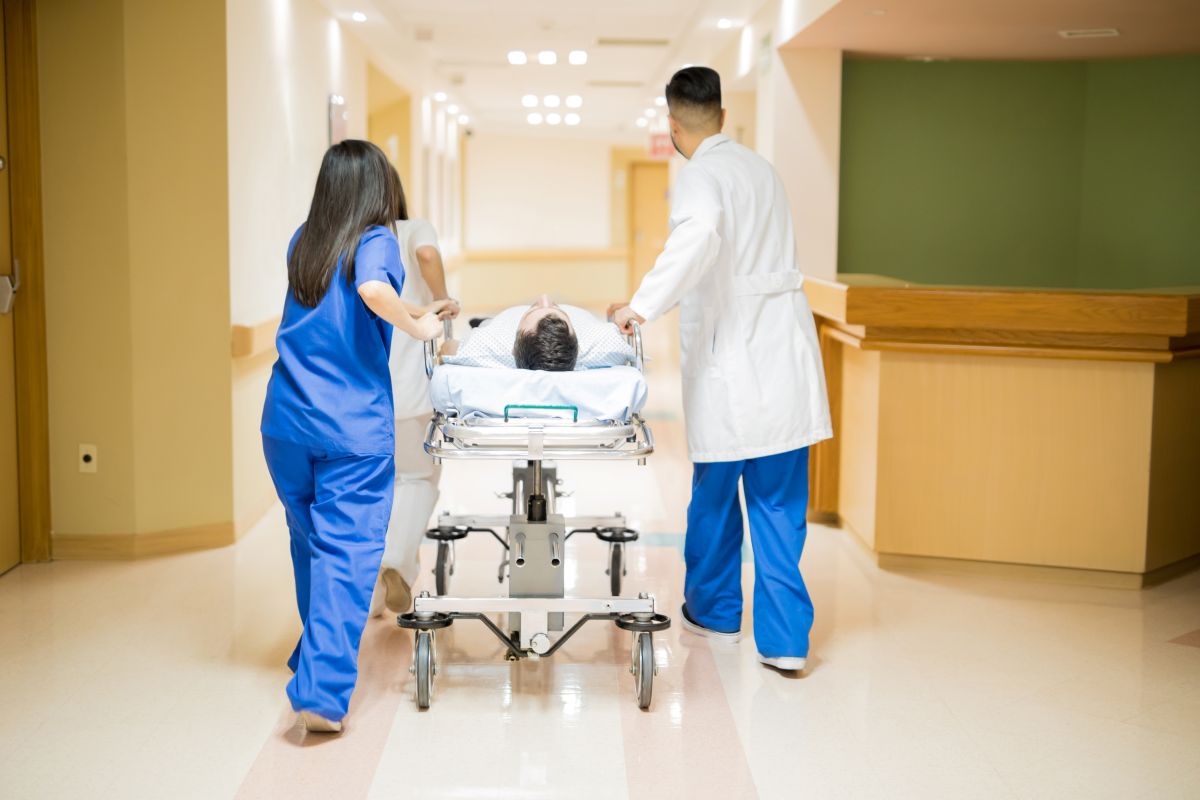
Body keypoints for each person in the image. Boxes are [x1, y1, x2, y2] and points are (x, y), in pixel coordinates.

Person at [610, 67, 832, 673]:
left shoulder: (700, 177)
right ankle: (786, 641)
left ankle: (713, 612)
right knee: (780, 504)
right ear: (724, 117)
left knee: (714, 495)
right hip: (781, 355)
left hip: (733, 357)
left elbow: (699, 237)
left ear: (673, 124)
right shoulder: (761, 170)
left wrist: (641, 305)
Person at [260, 139, 449, 733]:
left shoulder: (304, 240)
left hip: (286, 422)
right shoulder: (375, 241)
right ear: (377, 190)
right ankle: (320, 691)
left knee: (311, 544)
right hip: (350, 429)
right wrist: (419, 323)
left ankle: (315, 655)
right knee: (345, 553)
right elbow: (372, 289)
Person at [370, 191, 461, 617]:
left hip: (365, 390)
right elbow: (426, 254)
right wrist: (442, 302)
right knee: (417, 477)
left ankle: (366, 594)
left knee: (372, 486)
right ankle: (399, 563)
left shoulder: (356, 239)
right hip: (408, 386)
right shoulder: (412, 228)